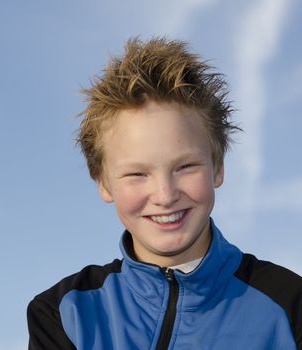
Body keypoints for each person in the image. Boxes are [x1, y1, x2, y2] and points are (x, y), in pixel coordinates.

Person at [26, 37, 302, 349]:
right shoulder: (66, 313)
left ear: (218, 167)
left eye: (185, 167)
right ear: (103, 182)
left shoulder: (289, 306)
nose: (165, 194)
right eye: (137, 174)